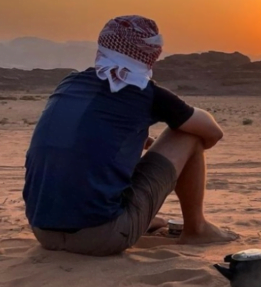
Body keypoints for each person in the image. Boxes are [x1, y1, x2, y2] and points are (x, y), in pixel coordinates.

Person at [24, 15, 238, 256]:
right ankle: (197, 228)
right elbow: (212, 133)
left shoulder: (70, 83)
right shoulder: (145, 93)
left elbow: (86, 139)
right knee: (189, 135)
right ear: (151, 52)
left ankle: (139, 217)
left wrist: (140, 141)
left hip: (43, 231)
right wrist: (179, 154)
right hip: (101, 237)